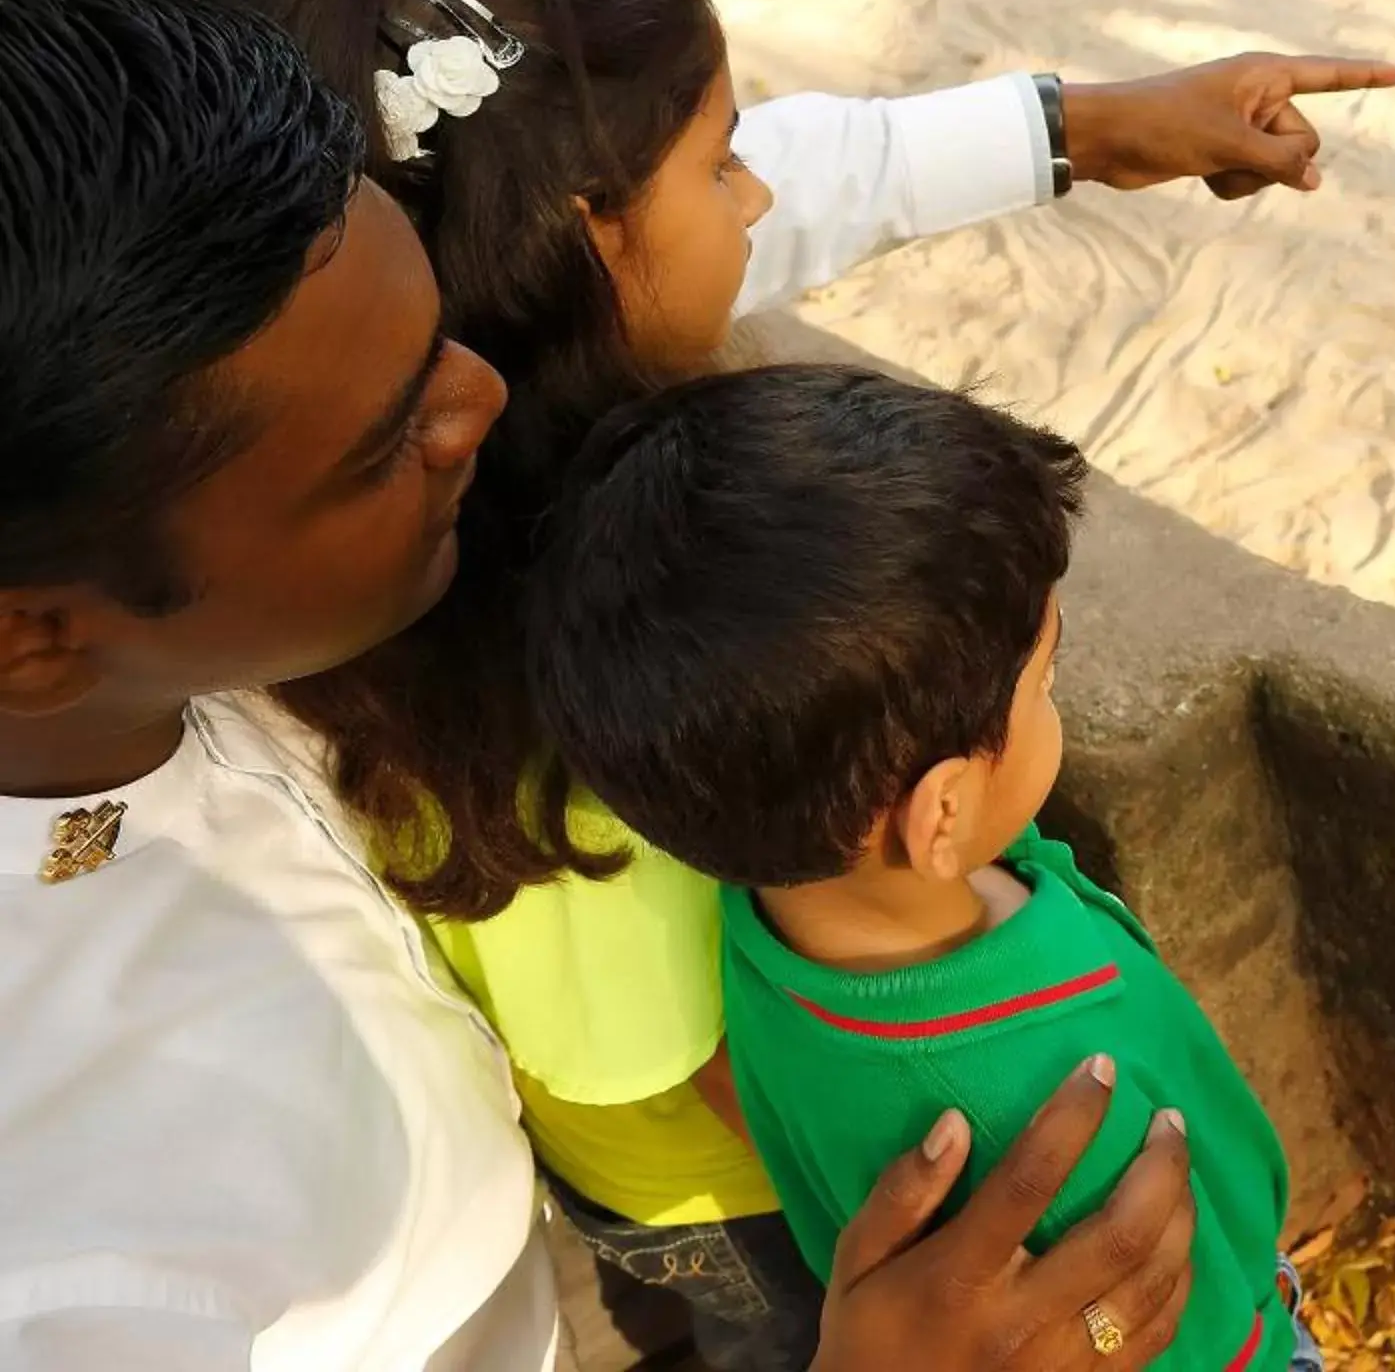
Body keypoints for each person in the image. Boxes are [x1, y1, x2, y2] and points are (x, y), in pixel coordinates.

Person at [219, 0, 1395, 1368]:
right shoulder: (595, 687)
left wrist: (1080, 126)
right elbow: (654, 1052)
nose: (761, 191)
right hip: (775, 1209)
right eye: (721, 167)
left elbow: (784, 187)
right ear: (582, 243)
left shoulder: (438, 391)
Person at [0, 0, 1201, 1369]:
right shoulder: (107, 1249)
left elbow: (641, 230)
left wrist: (1059, 129)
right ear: (32, 635)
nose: (487, 399)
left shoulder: (216, 615)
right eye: (389, 437)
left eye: (442, 324)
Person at [527, 367, 1315, 1372]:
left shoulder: (771, 899)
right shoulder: (1054, 1110)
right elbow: (1147, 1323)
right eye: (1047, 681)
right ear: (940, 811)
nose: (1054, 701)